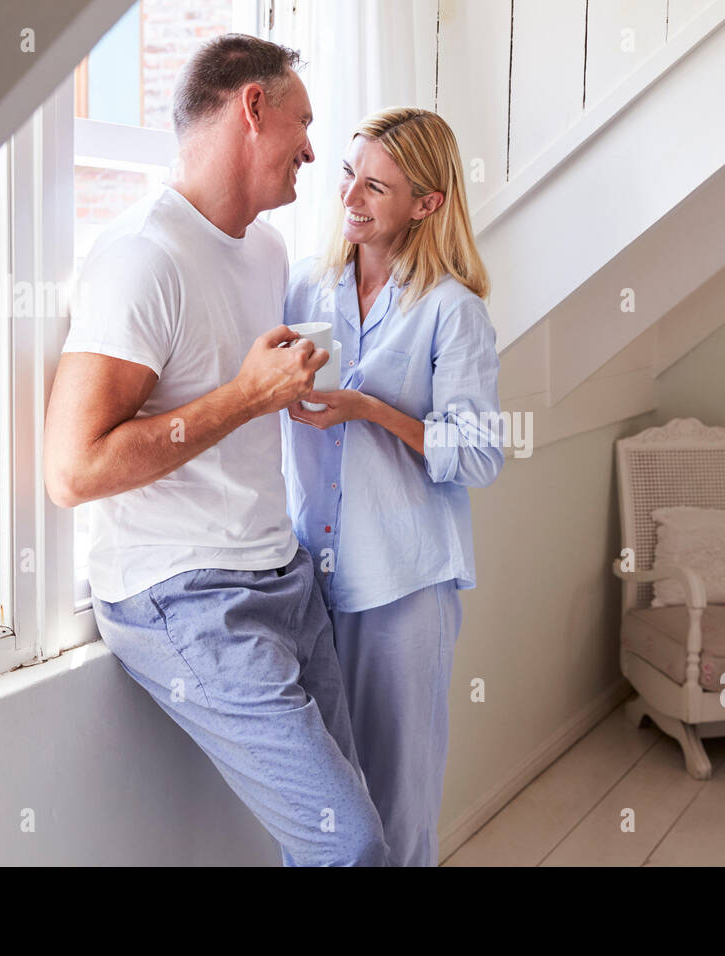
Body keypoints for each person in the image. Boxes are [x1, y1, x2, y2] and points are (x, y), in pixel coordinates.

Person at [43, 34, 388, 866]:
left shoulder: (266, 250)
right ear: (252, 108)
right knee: (354, 846)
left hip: (284, 573)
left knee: (343, 828)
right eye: (302, 122)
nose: (314, 149)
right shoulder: (139, 258)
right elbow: (73, 470)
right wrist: (245, 398)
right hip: (185, 593)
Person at [281, 107, 503, 866]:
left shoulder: (452, 311)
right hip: (312, 575)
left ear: (426, 205)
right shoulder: (305, 294)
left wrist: (370, 410)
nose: (351, 197)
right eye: (349, 174)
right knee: (316, 803)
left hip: (405, 581)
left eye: (377, 186)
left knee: (397, 804)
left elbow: (477, 456)